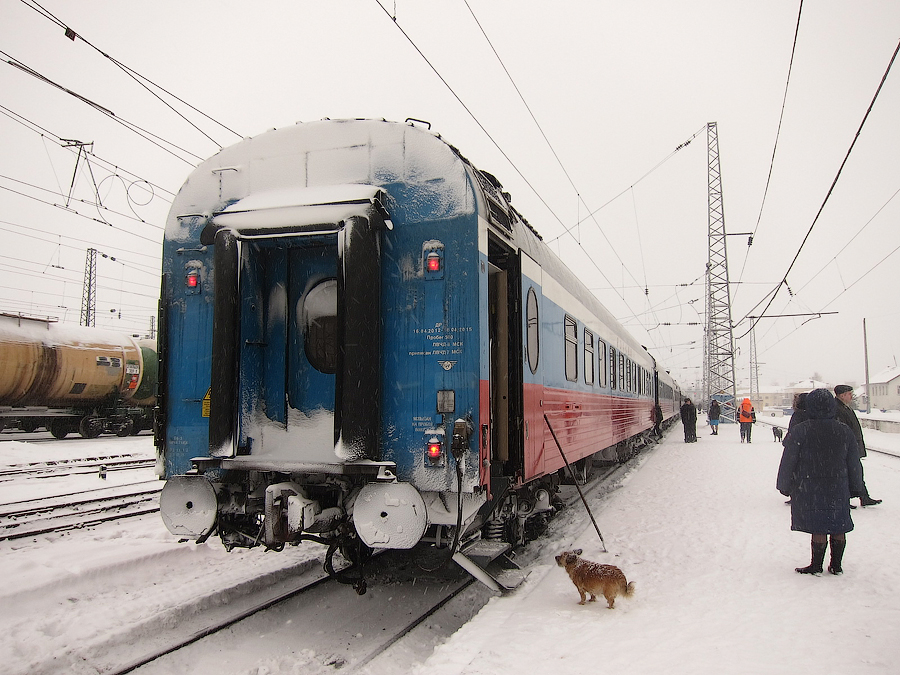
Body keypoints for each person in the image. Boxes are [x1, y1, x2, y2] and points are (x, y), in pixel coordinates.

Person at [777, 388, 863, 575]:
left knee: (818, 525)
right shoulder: (844, 431)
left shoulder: (801, 430)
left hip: (810, 485)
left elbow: (789, 460)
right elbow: (854, 463)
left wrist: (784, 484)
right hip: (838, 485)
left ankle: (816, 565)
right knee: (838, 524)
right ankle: (836, 565)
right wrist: (857, 487)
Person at [834, 384, 882, 507]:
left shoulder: (845, 408)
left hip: (852, 446)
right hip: (847, 448)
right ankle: (845, 499)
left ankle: (863, 497)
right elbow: (843, 430)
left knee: (856, 472)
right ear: (842, 395)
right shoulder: (838, 409)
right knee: (849, 473)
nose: (852, 396)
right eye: (849, 394)